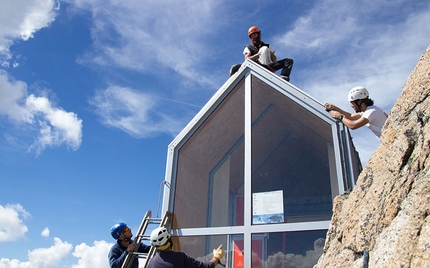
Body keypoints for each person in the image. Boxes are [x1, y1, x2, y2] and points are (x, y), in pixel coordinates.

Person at [230, 26, 294, 82]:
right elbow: (247, 59)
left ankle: (283, 78)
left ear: (259, 34)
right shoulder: (249, 47)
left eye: (255, 35)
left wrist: (272, 57)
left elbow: (274, 59)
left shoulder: (267, 46)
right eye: (252, 36)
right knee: (234, 68)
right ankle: (233, 84)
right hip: (255, 66)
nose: (254, 37)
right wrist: (258, 54)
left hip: (267, 66)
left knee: (288, 61)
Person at [147, 227, 225, 268]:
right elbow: (206, 267)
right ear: (169, 241)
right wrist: (217, 257)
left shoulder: (152, 263)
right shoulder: (180, 258)